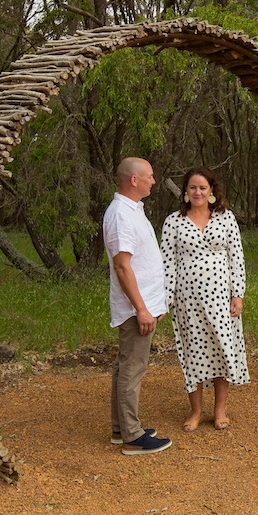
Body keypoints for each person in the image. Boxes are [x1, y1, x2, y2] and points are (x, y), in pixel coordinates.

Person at [161, 167, 249, 431]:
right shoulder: (173, 221)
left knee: (222, 350)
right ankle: (196, 411)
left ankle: (219, 410)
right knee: (193, 353)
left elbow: (237, 257)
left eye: (202, 188)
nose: (197, 192)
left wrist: (238, 294)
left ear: (212, 191)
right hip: (187, 300)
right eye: (192, 187)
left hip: (221, 298)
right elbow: (167, 264)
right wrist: (165, 301)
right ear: (185, 191)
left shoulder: (225, 218)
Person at [102, 157, 172, 455]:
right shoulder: (121, 214)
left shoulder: (132, 211)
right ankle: (132, 436)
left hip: (142, 305)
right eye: (150, 176)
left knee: (125, 366)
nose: (153, 181)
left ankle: (122, 428)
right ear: (134, 180)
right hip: (135, 309)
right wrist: (142, 309)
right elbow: (122, 267)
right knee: (133, 367)